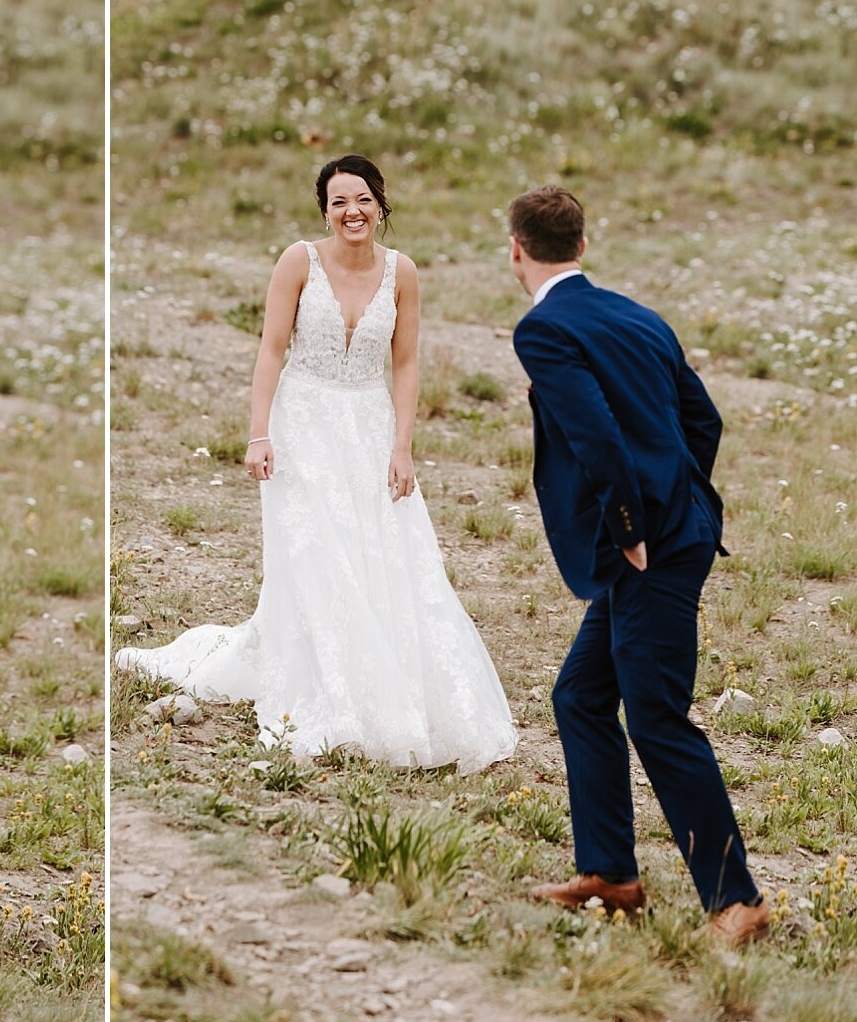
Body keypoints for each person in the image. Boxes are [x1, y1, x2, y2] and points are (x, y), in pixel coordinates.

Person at [116, 154, 516, 774]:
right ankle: (330, 691)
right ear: (324, 210)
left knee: (384, 552)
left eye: (361, 200)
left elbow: (406, 363)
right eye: (338, 202)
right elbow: (271, 349)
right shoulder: (298, 261)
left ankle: (384, 676)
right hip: (301, 422)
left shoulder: (402, 273)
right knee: (315, 553)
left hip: (370, 423)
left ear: (380, 206)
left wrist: (403, 445)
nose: (351, 212)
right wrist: (258, 434)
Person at [507, 186, 767, 945]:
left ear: (515, 249)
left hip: (647, 549)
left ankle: (737, 901)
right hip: (670, 534)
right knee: (582, 695)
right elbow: (703, 420)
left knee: (655, 714)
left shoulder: (545, 329)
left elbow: (595, 436)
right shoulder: (638, 316)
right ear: (582, 246)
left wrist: (632, 523)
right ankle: (612, 875)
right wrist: (681, 499)